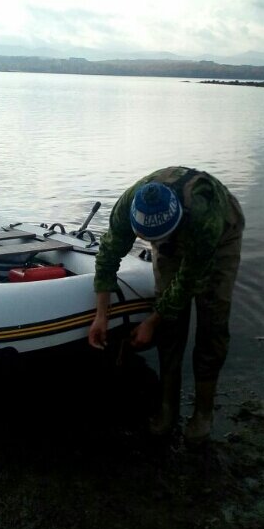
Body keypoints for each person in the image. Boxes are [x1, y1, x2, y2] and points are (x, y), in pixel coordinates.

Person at [88, 166, 245, 443]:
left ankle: (203, 412)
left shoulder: (204, 217)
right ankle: (168, 407)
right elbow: (108, 256)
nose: (155, 244)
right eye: (149, 239)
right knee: (170, 324)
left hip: (220, 235)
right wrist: (101, 315)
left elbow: (188, 281)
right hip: (175, 228)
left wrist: (150, 322)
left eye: (159, 238)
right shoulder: (128, 206)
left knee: (213, 320)